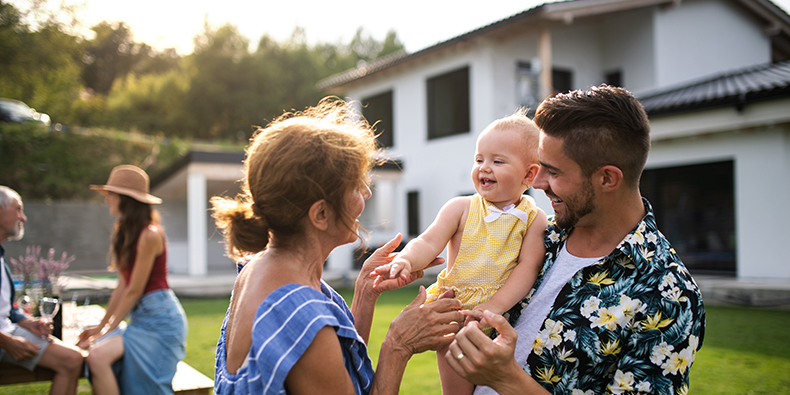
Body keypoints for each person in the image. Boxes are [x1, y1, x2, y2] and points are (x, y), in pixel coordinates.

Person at [447, 85, 706, 395]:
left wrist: (506, 379)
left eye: (553, 172)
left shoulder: (669, 294)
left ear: (607, 179)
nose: (538, 182)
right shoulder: (538, 235)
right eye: (540, 166)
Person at [211, 97, 465, 395]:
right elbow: (317, 352)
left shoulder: (262, 269)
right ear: (320, 214)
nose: (367, 193)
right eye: (356, 186)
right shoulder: (299, 311)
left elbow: (333, 366)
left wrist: (365, 294)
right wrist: (398, 344)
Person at [372, 109, 548, 394]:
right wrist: (406, 258)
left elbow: (527, 267)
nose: (484, 167)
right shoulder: (461, 208)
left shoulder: (534, 217)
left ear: (529, 174)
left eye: (497, 161)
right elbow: (428, 242)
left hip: (503, 314)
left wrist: (494, 307)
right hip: (459, 312)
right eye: (479, 159)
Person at [77, 165, 188, 395]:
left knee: (102, 358)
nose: (106, 198)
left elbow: (134, 290)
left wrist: (108, 331)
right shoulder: (127, 231)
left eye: (112, 193)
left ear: (127, 199)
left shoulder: (150, 234)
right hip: (141, 320)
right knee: (97, 357)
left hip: (160, 322)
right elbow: (123, 285)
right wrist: (101, 326)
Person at [0, 186, 83, 395]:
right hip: (4, 339)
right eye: (18, 209)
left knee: (73, 360)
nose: (24, 218)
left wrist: (28, 322)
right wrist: (7, 342)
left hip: (7, 334)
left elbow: (6, 308)